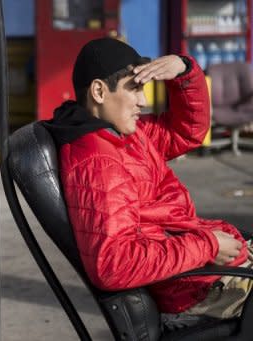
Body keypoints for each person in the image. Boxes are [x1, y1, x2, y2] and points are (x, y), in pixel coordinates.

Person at [42, 38, 253, 330]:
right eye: (135, 87)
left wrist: (184, 71)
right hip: (193, 291)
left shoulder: (123, 134)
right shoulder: (100, 162)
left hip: (198, 271)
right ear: (100, 91)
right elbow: (115, 264)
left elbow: (186, 131)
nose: (143, 101)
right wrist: (207, 244)